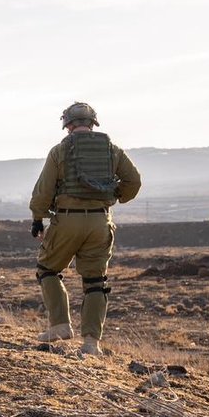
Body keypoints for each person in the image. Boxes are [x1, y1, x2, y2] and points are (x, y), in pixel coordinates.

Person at [30, 102, 142, 355]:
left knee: (47, 269)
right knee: (95, 282)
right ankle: (91, 343)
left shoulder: (59, 151)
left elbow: (44, 190)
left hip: (67, 220)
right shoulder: (112, 150)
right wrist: (115, 196)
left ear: (68, 125)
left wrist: (38, 218)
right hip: (100, 222)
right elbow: (133, 181)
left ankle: (60, 325)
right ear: (93, 123)